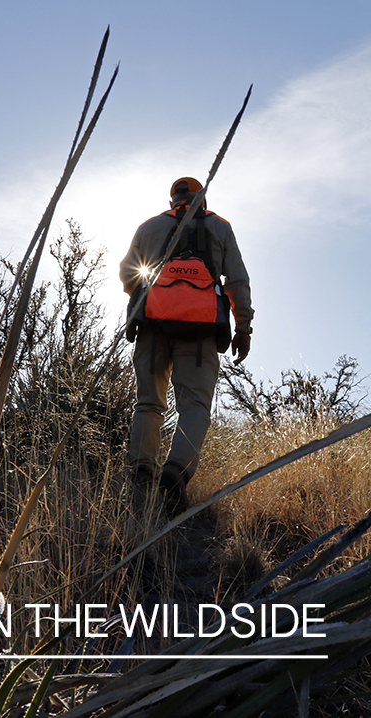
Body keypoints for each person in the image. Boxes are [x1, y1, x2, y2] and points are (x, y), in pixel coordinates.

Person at [119, 176, 253, 515]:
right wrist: (243, 327)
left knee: (148, 403)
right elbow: (237, 280)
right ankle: (174, 474)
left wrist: (157, 301)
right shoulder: (220, 227)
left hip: (152, 328)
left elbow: (127, 273)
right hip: (201, 333)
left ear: (172, 200)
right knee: (194, 406)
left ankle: (141, 474)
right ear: (201, 199)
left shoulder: (149, 226)